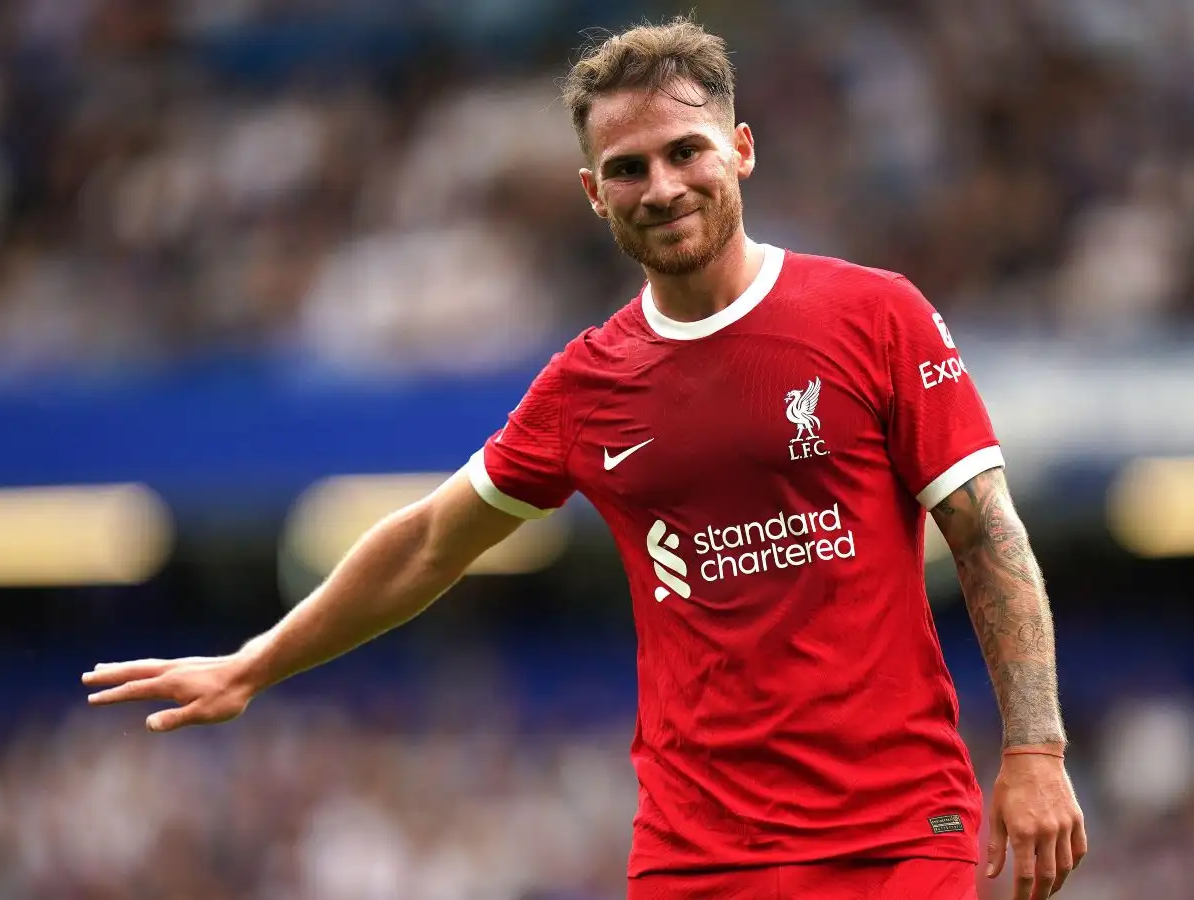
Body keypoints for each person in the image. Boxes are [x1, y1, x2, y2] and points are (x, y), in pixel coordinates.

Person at [84, 18, 1086, 900]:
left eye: (684, 151)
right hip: (696, 854)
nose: (661, 186)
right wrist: (258, 663)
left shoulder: (874, 314)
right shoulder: (587, 385)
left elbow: (987, 532)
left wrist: (1035, 750)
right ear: (590, 192)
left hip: (892, 836)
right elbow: (432, 540)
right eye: (628, 168)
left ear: (739, 151)